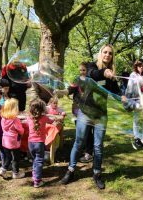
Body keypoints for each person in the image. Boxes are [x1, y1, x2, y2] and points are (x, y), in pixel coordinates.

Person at [60, 44, 120, 189]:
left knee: (98, 146)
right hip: (85, 112)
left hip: (101, 115)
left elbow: (116, 93)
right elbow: (93, 75)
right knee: (79, 142)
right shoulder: (91, 66)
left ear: (112, 56)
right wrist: (104, 72)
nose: (107, 55)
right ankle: (71, 170)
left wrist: (123, 97)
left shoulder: (112, 75)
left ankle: (97, 173)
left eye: (110, 53)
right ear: (100, 53)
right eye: (105, 52)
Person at [27, 99, 55, 188]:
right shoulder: (45, 118)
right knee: (39, 161)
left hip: (30, 143)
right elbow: (52, 121)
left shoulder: (29, 117)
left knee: (35, 159)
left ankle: (34, 174)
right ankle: (37, 181)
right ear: (42, 109)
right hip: (39, 143)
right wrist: (60, 117)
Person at [125, 59, 143, 149]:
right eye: (139, 65)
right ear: (136, 66)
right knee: (137, 119)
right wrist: (128, 101)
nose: (141, 67)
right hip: (137, 100)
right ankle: (137, 137)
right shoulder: (133, 75)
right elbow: (129, 89)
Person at [0, 98, 25, 179]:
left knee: (8, 157)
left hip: (5, 140)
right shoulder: (15, 120)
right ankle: (16, 173)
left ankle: (2, 170)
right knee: (16, 158)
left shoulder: (3, 118)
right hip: (14, 141)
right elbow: (20, 130)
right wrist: (22, 131)